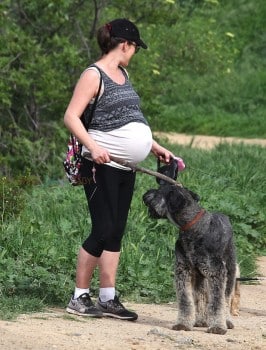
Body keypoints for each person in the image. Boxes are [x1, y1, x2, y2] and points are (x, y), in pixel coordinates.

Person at [63, 18, 181, 321]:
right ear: (124, 44)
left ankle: (107, 298)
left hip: (126, 167)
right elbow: (71, 117)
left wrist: (153, 146)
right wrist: (94, 146)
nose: (134, 54)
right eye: (135, 48)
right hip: (100, 164)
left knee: (116, 231)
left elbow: (129, 117)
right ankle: (79, 297)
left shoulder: (123, 74)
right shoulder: (94, 74)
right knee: (102, 229)